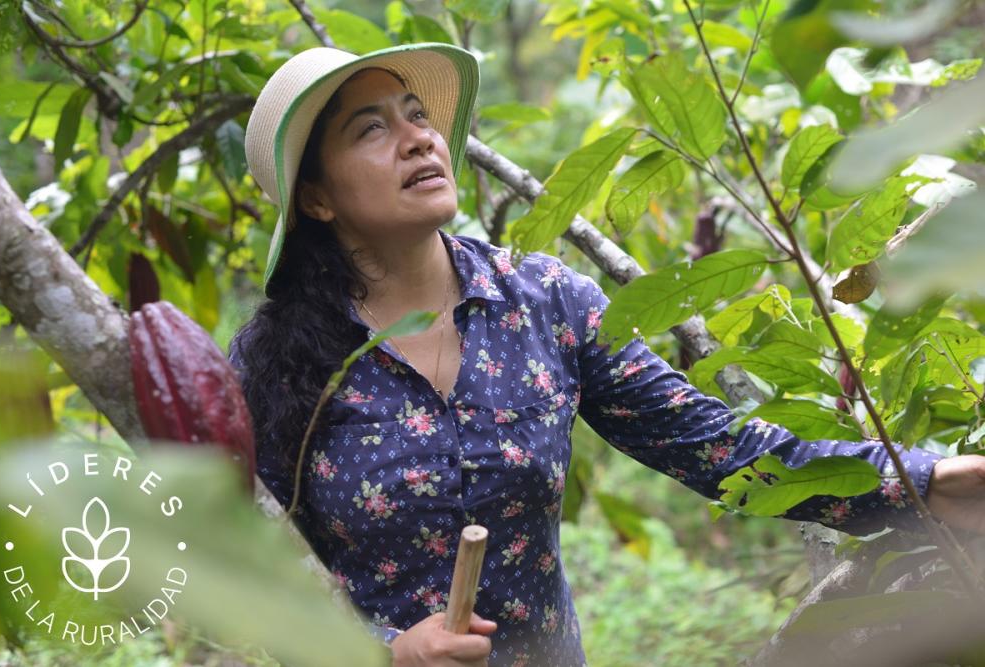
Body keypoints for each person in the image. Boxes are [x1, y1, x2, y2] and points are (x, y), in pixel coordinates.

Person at [229, 42, 985, 667]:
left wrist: (920, 480)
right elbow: (249, 573)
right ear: (318, 199)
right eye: (370, 129)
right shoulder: (277, 363)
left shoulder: (546, 301)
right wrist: (382, 652)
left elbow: (718, 447)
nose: (419, 137)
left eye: (417, 114)